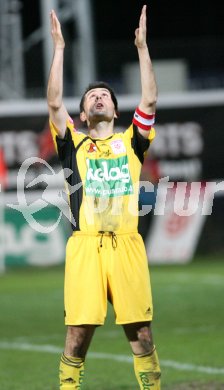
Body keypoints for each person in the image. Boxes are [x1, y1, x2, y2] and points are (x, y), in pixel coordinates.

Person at [47, 5, 161, 389]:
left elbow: (149, 102)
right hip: (86, 247)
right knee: (77, 336)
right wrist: (59, 49)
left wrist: (142, 49)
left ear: (114, 109)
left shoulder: (132, 142)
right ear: (81, 115)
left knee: (142, 334)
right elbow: (53, 102)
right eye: (92, 96)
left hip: (127, 246)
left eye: (105, 95)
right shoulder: (73, 144)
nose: (99, 98)